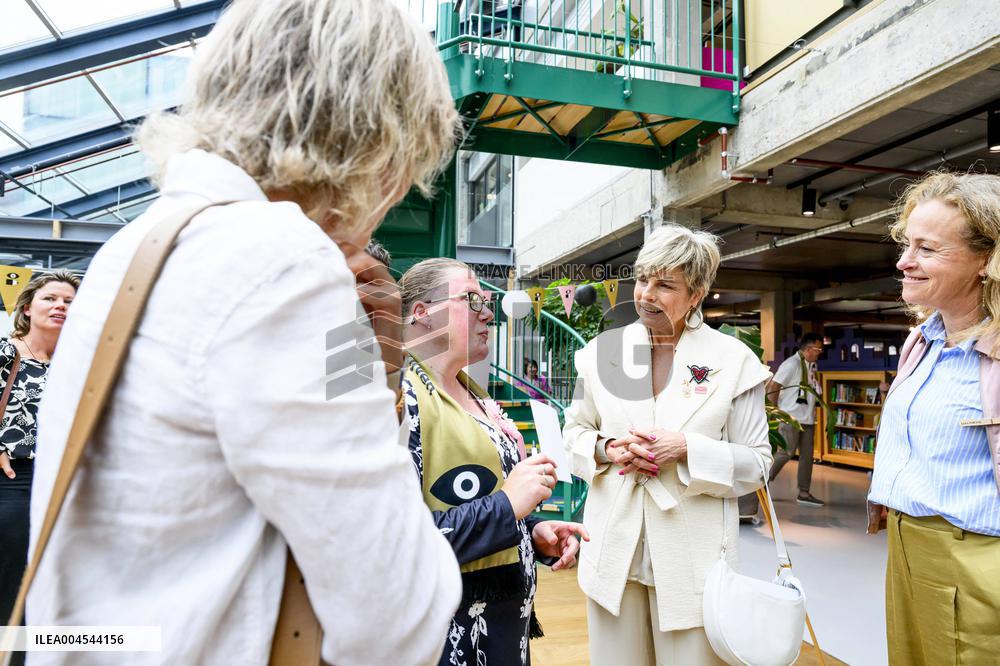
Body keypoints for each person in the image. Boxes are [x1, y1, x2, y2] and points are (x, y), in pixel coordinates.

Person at [26, 2, 464, 664]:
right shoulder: (278, 255)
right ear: (376, 137)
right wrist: (372, 363)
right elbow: (397, 615)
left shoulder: (140, 243)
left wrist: (365, 356)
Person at [563, 224, 772, 665]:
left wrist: (686, 449)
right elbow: (575, 431)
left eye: (665, 285)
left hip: (692, 554)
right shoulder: (604, 352)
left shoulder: (733, 362)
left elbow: (758, 463)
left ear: (696, 294)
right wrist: (606, 450)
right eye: (642, 280)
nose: (646, 295)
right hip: (613, 550)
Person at [400, 258, 590, 666]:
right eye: (471, 300)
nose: (488, 313)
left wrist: (532, 529)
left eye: (486, 301)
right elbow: (398, 538)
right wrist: (507, 506)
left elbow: (482, 498)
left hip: (503, 628)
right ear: (421, 314)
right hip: (445, 637)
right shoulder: (402, 400)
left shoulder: (474, 393)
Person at [867, 172, 1000, 664]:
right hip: (906, 545)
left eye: (927, 249)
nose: (904, 262)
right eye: (906, 244)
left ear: (985, 260)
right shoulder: (922, 341)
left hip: (974, 557)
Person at [0, 271, 78, 666]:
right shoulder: (5, 351)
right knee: (12, 569)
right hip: (13, 478)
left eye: (69, 301)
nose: (61, 306)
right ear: (28, 308)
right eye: (51, 299)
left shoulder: (80, 363)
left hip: (65, 481)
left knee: (51, 572)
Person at [741, 333, 825, 519]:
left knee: (807, 457)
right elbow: (774, 386)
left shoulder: (810, 366)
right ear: (809, 349)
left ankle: (804, 492)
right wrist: (773, 411)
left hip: (807, 418)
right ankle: (761, 483)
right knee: (785, 453)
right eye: (818, 349)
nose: (820, 353)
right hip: (791, 417)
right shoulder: (792, 364)